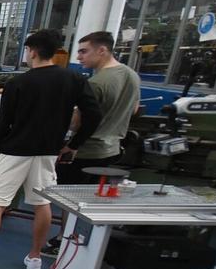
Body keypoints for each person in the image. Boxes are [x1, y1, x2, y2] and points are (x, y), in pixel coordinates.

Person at [0, 29, 102, 269]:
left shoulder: (18, 82)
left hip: (15, 150)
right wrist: (73, 144)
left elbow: (3, 121)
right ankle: (35, 257)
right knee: (42, 204)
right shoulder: (74, 80)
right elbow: (93, 115)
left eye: (27, 50)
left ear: (33, 51)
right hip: (48, 151)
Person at [41, 30, 141, 256]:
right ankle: (93, 243)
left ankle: (65, 240)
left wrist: (69, 140)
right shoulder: (132, 75)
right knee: (98, 199)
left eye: (84, 51)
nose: (79, 57)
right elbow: (134, 109)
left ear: (102, 50)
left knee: (71, 200)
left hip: (86, 150)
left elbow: (78, 122)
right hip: (114, 148)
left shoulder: (96, 82)